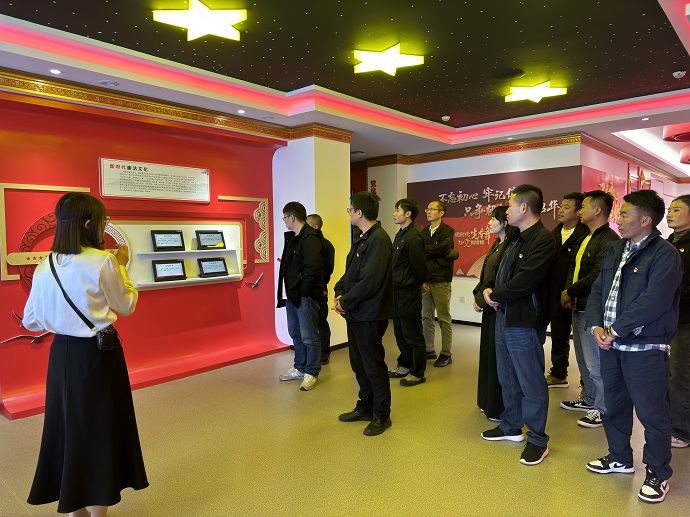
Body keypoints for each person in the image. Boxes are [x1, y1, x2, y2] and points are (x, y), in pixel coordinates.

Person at [22, 192, 148, 517]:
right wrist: (123, 269)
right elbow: (126, 305)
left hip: (60, 355)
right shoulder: (102, 260)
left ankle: (74, 509)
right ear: (89, 223)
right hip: (97, 355)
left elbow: (30, 321)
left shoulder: (45, 265)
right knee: (98, 431)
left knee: (68, 430)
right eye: (102, 222)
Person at [585, 190, 683, 504]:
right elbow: (598, 291)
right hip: (610, 345)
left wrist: (616, 329)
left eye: (625, 214)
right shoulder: (616, 250)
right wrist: (595, 325)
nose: (618, 219)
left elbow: (655, 300)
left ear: (645, 220)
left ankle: (657, 472)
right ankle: (619, 458)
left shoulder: (665, 254)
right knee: (613, 405)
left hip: (645, 347)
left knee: (652, 414)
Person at [481, 184, 558, 466]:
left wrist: (495, 295)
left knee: (531, 382)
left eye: (511, 205)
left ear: (524, 208)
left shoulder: (543, 240)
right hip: (504, 315)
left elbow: (526, 280)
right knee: (507, 376)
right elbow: (498, 271)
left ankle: (537, 440)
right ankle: (511, 425)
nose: (507, 210)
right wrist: (487, 291)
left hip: (524, 320)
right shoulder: (514, 237)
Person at [334, 192, 394, 436]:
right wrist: (339, 291)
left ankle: (382, 415)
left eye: (350, 209)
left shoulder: (379, 239)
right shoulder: (362, 238)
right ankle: (366, 407)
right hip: (356, 313)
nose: (349, 213)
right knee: (358, 364)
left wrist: (345, 301)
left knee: (373, 366)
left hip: (369, 314)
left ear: (359, 212)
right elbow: (350, 273)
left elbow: (370, 280)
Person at [560, 191, 619, 429]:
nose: (579, 210)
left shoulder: (609, 240)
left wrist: (570, 292)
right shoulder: (587, 236)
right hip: (579, 305)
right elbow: (573, 268)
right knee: (584, 360)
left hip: (594, 310)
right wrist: (569, 292)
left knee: (596, 363)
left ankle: (603, 409)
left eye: (583, 206)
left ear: (597, 210)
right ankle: (589, 398)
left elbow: (597, 275)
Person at [277, 202, 324, 391]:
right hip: (292, 295)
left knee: (309, 336)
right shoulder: (293, 238)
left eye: (285, 217)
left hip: (304, 296)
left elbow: (312, 270)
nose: (284, 221)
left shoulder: (310, 238)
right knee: (295, 333)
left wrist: (304, 292)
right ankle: (300, 367)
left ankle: (312, 372)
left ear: (292, 217)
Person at [473, 205, 511, 421]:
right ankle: (486, 401)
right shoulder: (498, 244)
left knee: (498, 359)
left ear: (505, 222)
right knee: (488, 355)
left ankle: (497, 407)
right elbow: (485, 278)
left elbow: (497, 280)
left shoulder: (509, 246)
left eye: (493, 220)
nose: (489, 223)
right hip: (488, 305)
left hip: (497, 306)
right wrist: (479, 297)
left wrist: (483, 299)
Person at [547, 192, 587, 388]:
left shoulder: (585, 235)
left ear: (578, 212)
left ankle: (587, 383)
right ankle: (558, 373)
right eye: (561, 206)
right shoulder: (553, 234)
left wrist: (570, 292)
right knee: (558, 335)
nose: (561, 210)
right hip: (556, 294)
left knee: (583, 341)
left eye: (566, 207)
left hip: (578, 295)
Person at [388, 198, 428, 387]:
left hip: (409, 292)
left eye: (398, 210)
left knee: (413, 334)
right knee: (400, 332)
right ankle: (404, 364)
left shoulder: (413, 237)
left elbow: (419, 267)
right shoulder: (400, 235)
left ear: (408, 214)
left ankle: (418, 372)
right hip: (397, 291)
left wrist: (418, 284)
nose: (394, 213)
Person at [666, 195, 690, 448]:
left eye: (676, 209)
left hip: (685, 319)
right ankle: (668, 422)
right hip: (666, 318)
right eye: (669, 209)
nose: (670, 214)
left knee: (680, 375)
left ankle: (682, 430)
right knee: (666, 373)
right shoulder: (668, 243)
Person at [420, 200, 457, 367]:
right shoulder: (423, 232)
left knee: (444, 318)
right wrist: (434, 249)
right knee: (426, 316)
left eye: (432, 209)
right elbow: (424, 250)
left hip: (441, 279)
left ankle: (446, 353)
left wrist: (430, 249)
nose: (428, 212)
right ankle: (429, 349)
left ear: (441, 213)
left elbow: (442, 248)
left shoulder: (448, 230)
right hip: (426, 279)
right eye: (427, 209)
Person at [306, 213, 335, 366]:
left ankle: (324, 353)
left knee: (321, 321)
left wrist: (320, 285)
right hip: (306, 290)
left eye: (308, 224)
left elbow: (328, 270)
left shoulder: (326, 245)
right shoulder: (305, 243)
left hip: (319, 290)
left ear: (315, 226)